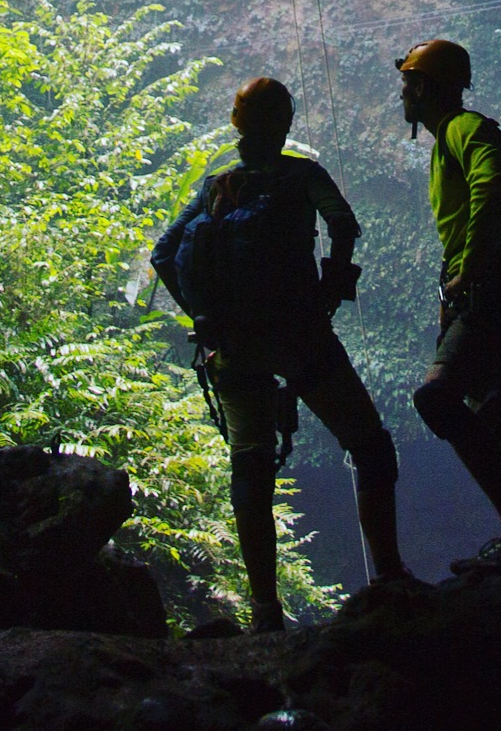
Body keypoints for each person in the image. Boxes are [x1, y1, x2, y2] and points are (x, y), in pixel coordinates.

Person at [152, 76, 410, 630]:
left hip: (231, 347)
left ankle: (264, 610)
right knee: (370, 446)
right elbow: (343, 224)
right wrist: (331, 287)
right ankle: (389, 577)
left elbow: (163, 253)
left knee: (250, 463)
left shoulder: (217, 185)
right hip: (300, 338)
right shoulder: (302, 174)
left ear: (236, 122)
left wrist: (201, 316)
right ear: (286, 123)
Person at [396, 36, 501, 583]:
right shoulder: (455, 135)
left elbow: (490, 186)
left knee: (437, 397)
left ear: (423, 86)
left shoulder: (461, 130)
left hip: (488, 300)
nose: (401, 94)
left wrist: (467, 270)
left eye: (406, 82)